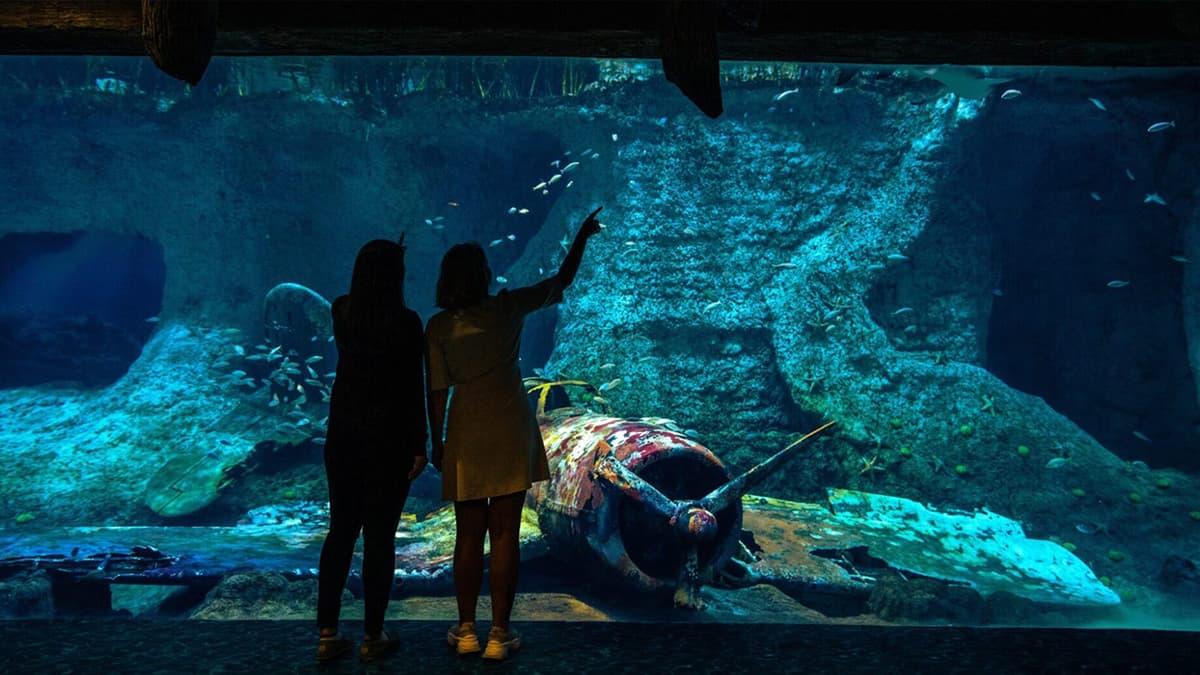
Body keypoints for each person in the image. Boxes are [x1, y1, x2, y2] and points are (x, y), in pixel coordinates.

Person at [425, 206, 603, 661]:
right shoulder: (507, 308)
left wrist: (437, 440)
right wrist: (580, 236)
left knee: (468, 535)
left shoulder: (439, 326)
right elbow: (560, 283)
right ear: (484, 274)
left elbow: (437, 390)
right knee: (504, 533)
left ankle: (466, 630)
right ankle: (499, 635)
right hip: (508, 424)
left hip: (465, 428)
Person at [316, 236, 428, 662]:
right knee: (380, 537)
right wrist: (420, 444)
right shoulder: (407, 322)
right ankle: (372, 635)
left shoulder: (341, 310)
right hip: (390, 442)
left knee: (341, 531)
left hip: (342, 438)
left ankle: (327, 634)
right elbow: (411, 387)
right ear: (396, 277)